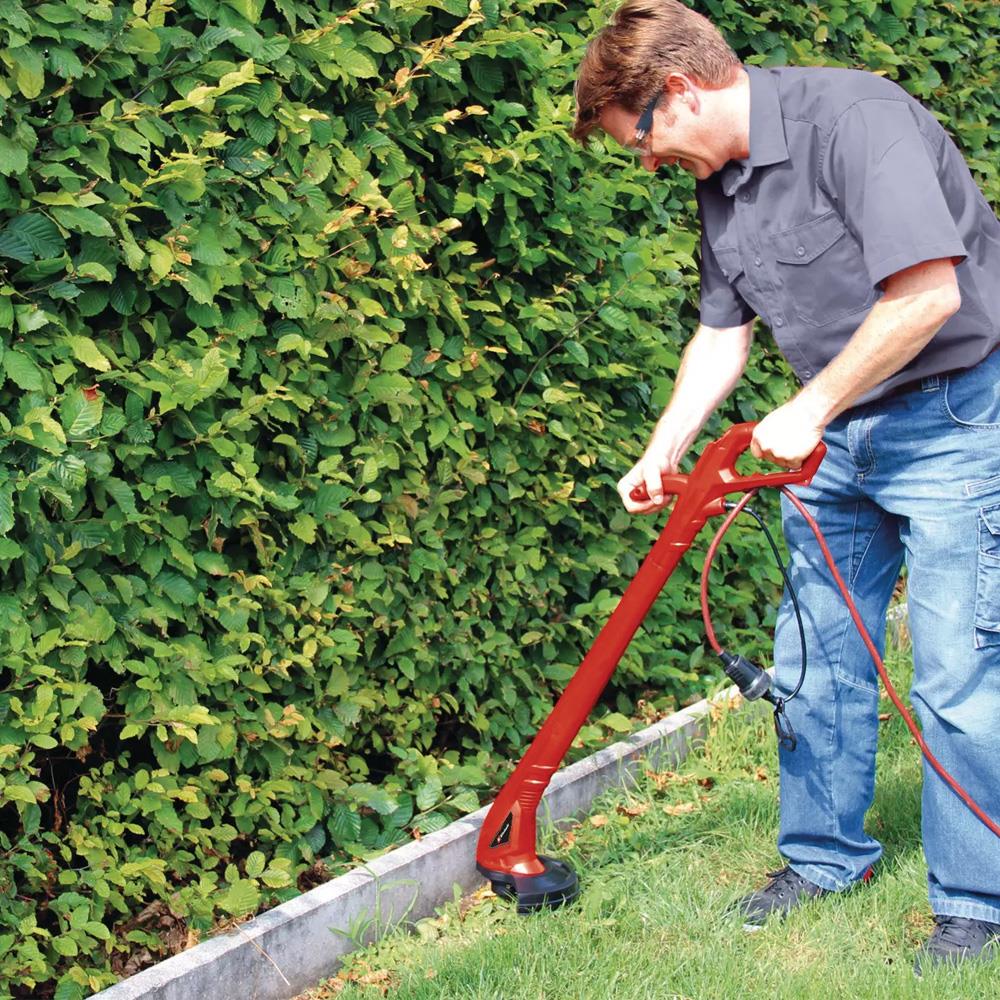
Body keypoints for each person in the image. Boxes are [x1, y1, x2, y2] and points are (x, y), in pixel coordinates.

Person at [572, 0, 1000, 975]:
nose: (646, 162)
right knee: (814, 657)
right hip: (832, 441)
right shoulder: (720, 185)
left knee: (955, 669)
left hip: (953, 421)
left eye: (640, 139)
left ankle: (976, 901)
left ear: (678, 92)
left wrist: (811, 405)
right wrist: (663, 447)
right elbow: (722, 332)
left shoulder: (856, 122)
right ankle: (822, 859)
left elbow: (928, 294)